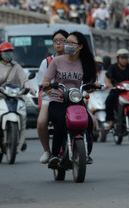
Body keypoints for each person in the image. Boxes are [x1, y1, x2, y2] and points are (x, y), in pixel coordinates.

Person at [42, 31, 99, 168]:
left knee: (89, 123)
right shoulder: (57, 61)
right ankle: (54, 155)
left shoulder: (85, 63)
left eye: (71, 43)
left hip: (76, 100)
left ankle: (86, 152)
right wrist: (47, 84)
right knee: (61, 122)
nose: (67, 45)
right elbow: (46, 81)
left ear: (80, 47)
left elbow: (89, 84)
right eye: (66, 42)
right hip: (58, 99)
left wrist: (94, 86)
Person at [0, 42, 35, 149]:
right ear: (0, 53)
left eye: (10, 51)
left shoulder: (16, 66)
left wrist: (30, 88)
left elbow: (24, 79)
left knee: (23, 111)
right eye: (5, 52)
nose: (8, 54)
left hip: (15, 96)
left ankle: (22, 138)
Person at [37, 29, 69, 164]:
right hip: (50, 97)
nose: (58, 43)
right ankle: (47, 151)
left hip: (70, 97)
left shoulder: (74, 60)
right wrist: (49, 89)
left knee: (91, 121)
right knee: (41, 122)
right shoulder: (47, 62)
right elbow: (41, 83)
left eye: (62, 40)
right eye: (56, 41)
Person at [104, 48, 129, 130]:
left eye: (126, 58)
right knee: (109, 100)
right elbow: (107, 77)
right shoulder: (113, 67)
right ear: (118, 58)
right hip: (116, 90)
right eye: (122, 58)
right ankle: (110, 121)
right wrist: (108, 84)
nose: (124, 60)